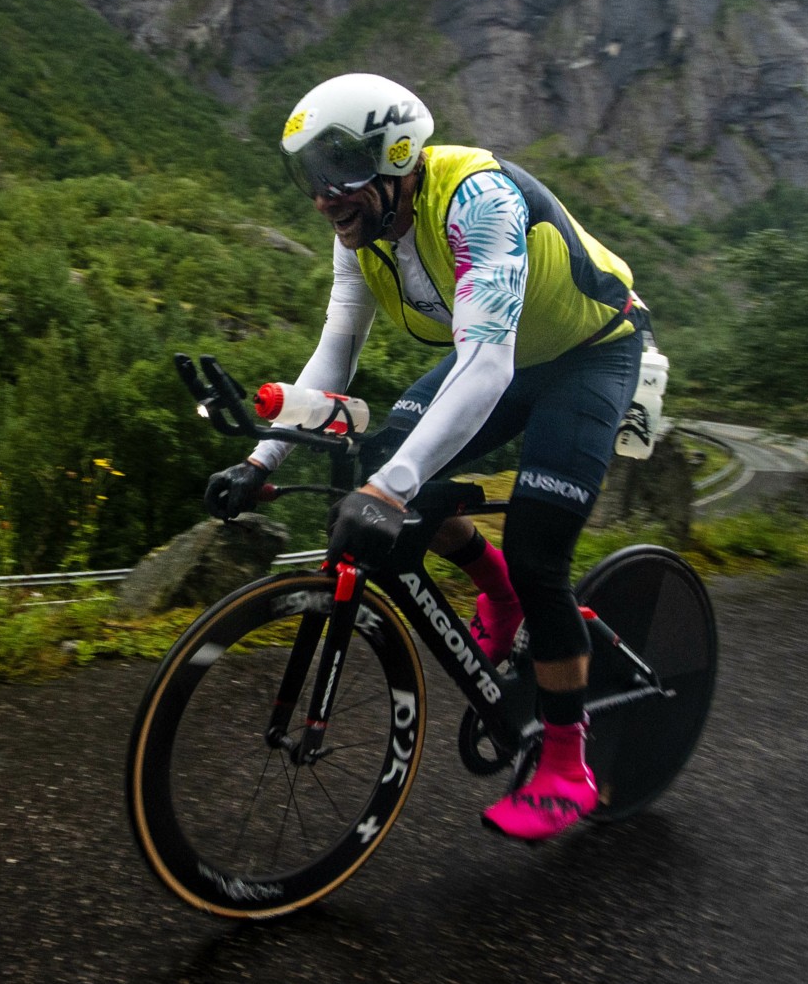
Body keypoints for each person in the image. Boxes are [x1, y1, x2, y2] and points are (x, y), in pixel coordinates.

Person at [203, 72, 647, 842]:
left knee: (537, 554)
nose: (321, 196)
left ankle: (567, 761)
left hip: (585, 356)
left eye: (335, 170)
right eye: (308, 175)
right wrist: (263, 460)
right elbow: (333, 354)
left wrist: (389, 487)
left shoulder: (475, 200)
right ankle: (492, 591)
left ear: (397, 154)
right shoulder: (362, 231)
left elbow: (484, 367)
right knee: (390, 458)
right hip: (500, 351)